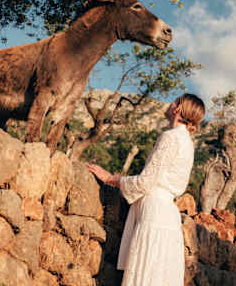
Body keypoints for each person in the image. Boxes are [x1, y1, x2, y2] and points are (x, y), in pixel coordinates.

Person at [87, 93, 205, 286]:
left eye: (175, 100)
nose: (170, 103)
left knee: (146, 274)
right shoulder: (187, 142)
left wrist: (110, 178)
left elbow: (145, 182)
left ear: (178, 109)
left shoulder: (171, 137)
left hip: (154, 214)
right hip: (168, 215)